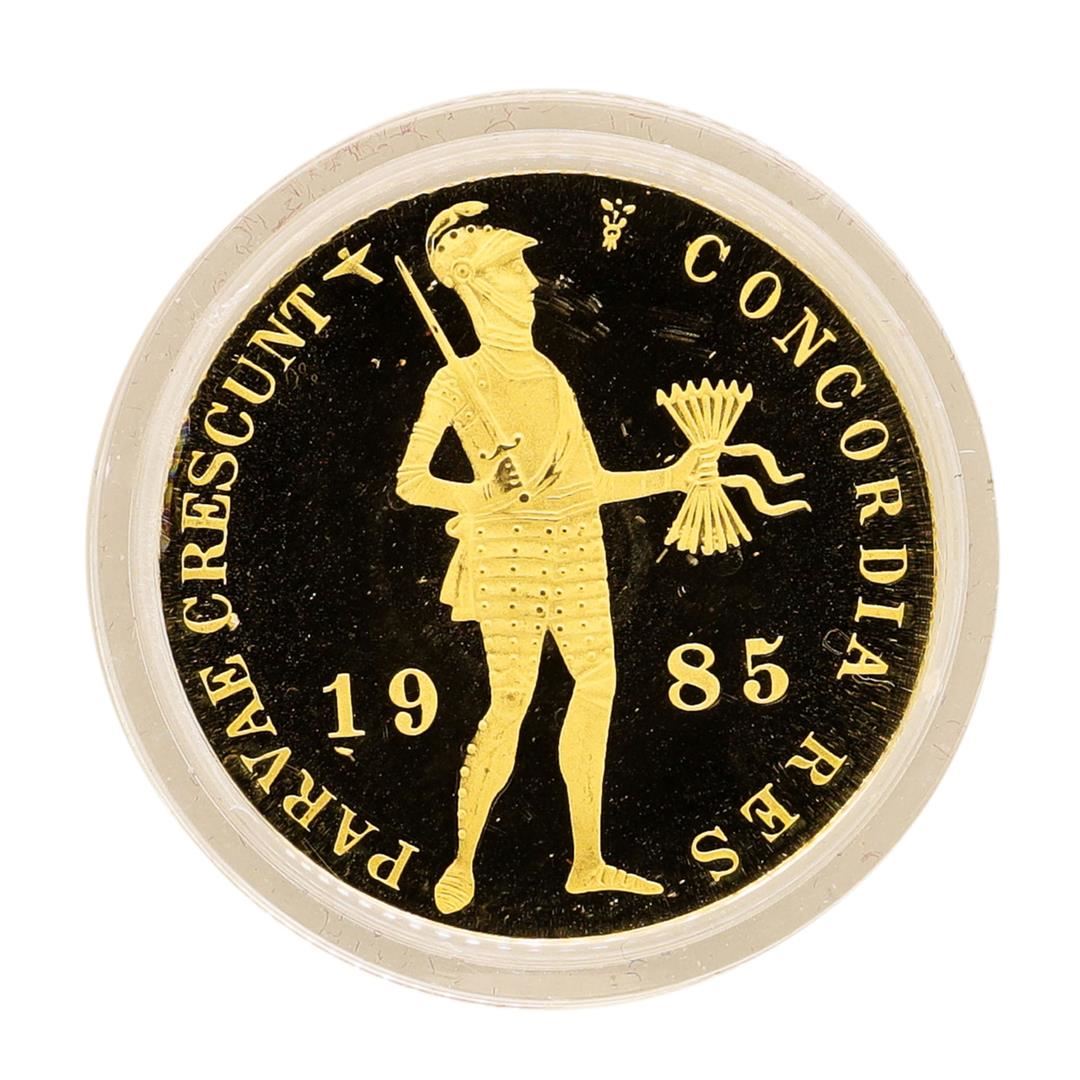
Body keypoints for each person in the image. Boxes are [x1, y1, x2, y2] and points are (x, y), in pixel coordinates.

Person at [396, 202, 716, 915]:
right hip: (508, 550)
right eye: (515, 268)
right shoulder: (457, 381)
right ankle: (463, 860)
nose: (532, 281)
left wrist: (672, 475)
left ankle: (588, 862)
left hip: (575, 545)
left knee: (597, 682)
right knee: (511, 700)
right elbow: (411, 482)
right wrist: (480, 493)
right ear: (477, 284)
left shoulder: (547, 374)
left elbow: (589, 485)